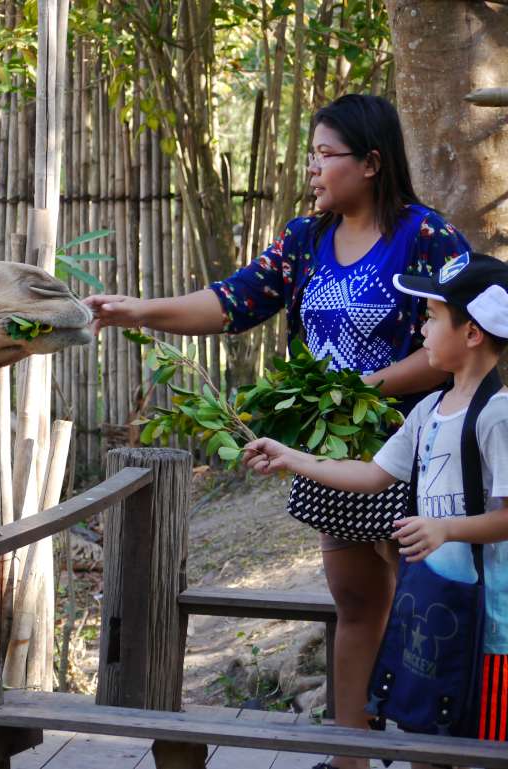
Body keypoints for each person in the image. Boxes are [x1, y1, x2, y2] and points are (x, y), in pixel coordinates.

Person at [84, 94, 471, 769]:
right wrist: (135, 310)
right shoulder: (305, 239)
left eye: (327, 154)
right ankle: (348, 756)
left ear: (372, 163)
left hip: (413, 456)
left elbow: (459, 339)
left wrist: (360, 388)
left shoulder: (426, 237)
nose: (314, 168)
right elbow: (233, 301)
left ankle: (430, 755)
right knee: (356, 605)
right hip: (326, 458)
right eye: (313, 154)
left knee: (425, 612)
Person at [244, 251, 508, 765]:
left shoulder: (498, 417)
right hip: (435, 609)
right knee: (426, 734)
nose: (423, 332)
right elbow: (371, 475)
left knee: (489, 749)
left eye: (431, 319)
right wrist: (292, 458)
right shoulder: (431, 410)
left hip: (491, 626)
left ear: (473, 333)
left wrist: (446, 530)